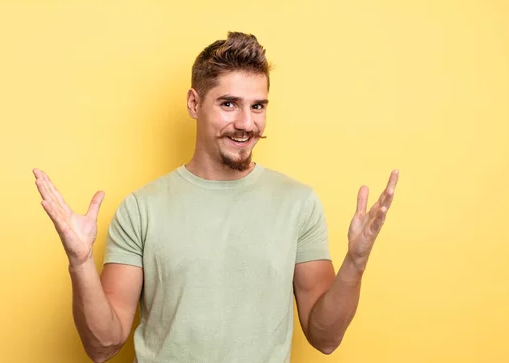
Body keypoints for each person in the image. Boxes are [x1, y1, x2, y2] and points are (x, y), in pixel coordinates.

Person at [33, 31, 399, 363]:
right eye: (229, 104)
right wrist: (80, 262)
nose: (246, 123)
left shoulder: (298, 203)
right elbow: (103, 345)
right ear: (194, 103)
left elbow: (325, 338)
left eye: (258, 106)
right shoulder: (141, 209)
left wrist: (356, 261)